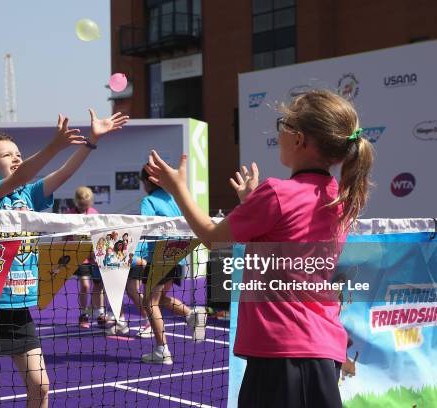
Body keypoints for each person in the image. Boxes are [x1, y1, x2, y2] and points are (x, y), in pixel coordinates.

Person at [144, 89, 373, 406]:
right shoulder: (340, 197)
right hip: (314, 350)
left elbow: (213, 237)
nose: (279, 133)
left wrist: (177, 188)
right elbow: (287, 241)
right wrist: (251, 204)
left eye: (284, 124)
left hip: (285, 355)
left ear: (300, 139)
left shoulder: (278, 193)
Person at [0, 109, 128, 408]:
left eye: (18, 153)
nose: (16, 158)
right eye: (8, 155)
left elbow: (63, 174)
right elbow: (23, 173)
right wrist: (54, 147)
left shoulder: (30, 195)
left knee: (41, 388)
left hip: (18, 309)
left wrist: (91, 142)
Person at [108, 168, 206, 364]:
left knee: (149, 303)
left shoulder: (149, 202)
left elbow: (144, 229)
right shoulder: (173, 200)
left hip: (161, 257)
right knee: (158, 299)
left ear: (148, 182)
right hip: (178, 256)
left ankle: (163, 350)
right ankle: (191, 313)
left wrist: (123, 248)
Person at [66, 186, 110, 329]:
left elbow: (100, 236)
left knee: (99, 286)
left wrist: (99, 254)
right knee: (85, 285)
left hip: (95, 257)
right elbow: (65, 237)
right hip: (80, 258)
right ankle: (83, 314)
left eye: (87, 204)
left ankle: (100, 314)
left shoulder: (94, 213)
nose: (84, 207)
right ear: (76, 201)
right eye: (81, 204)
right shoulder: (70, 215)